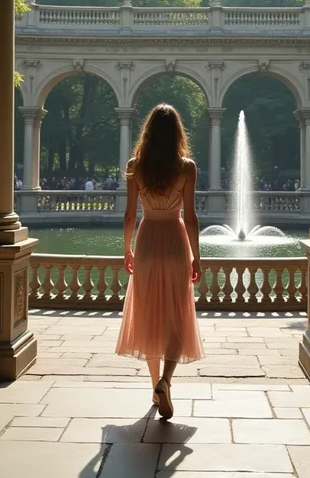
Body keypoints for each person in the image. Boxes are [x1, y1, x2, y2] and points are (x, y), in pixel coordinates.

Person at [115, 104, 204, 420]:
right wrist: (196, 257)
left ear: (148, 132)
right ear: (178, 133)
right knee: (176, 315)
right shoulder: (187, 168)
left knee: (149, 313)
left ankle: (155, 386)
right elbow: (191, 218)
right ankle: (166, 380)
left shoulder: (135, 166)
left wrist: (127, 249)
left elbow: (128, 215)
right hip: (176, 241)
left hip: (148, 239)